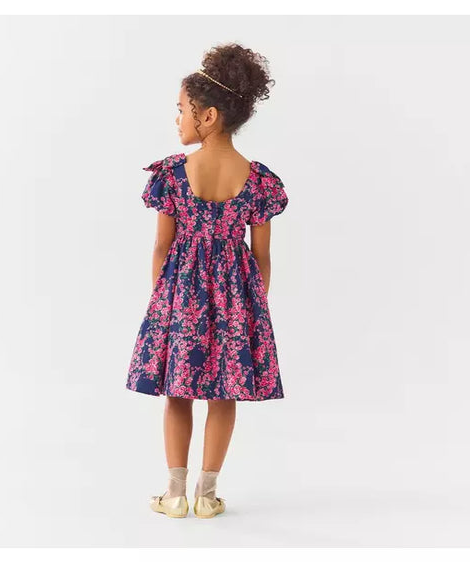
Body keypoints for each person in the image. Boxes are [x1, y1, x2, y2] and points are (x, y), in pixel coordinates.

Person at [125, 43, 289, 519]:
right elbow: (262, 256)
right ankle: (207, 494)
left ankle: (174, 494)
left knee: (177, 392)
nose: (177, 118)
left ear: (209, 116)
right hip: (237, 301)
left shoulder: (174, 174)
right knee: (223, 393)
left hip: (180, 298)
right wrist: (253, 307)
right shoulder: (258, 181)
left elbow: (162, 247)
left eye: (182, 109)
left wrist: (164, 304)